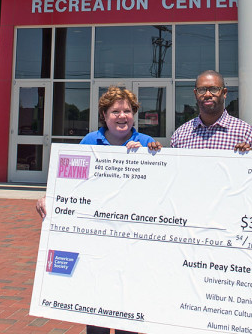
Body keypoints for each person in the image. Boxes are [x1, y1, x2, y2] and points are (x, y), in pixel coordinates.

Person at [35, 86, 160, 334]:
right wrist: (50, 197)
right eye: (115, 111)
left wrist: (151, 157)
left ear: (134, 114)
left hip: (131, 241)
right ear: (104, 115)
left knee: (128, 313)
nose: (122, 116)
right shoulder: (89, 142)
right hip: (96, 240)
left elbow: (160, 191)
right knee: (96, 312)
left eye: (127, 110)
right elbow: (72, 184)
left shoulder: (148, 144)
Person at [171, 70, 252, 151]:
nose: (207, 94)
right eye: (202, 90)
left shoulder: (247, 134)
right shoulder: (180, 135)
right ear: (195, 94)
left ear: (224, 93)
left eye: (214, 89)